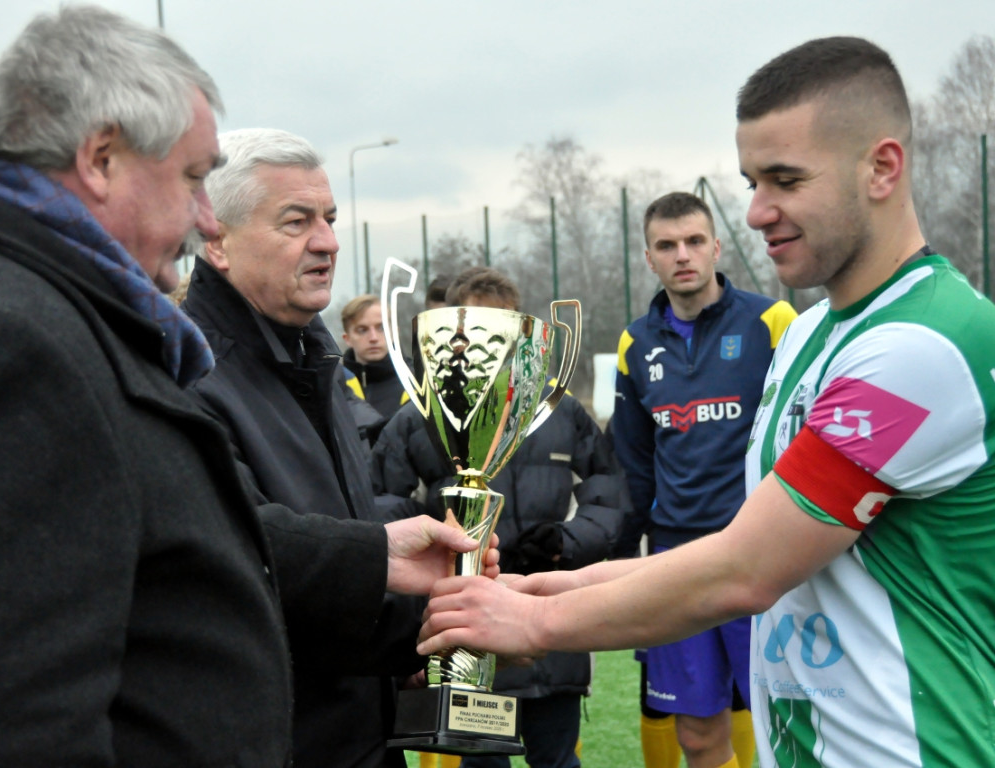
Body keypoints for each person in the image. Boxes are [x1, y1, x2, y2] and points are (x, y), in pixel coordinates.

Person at [417, 36, 995, 768]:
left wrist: (534, 626)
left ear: (882, 167)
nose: (756, 212)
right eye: (752, 182)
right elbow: (721, 549)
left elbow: (744, 569)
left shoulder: (923, 344)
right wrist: (539, 588)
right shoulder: (813, 332)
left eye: (785, 180)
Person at [0, 8, 491, 766]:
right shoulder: (13, 340)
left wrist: (371, 556)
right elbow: (20, 710)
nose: (204, 216)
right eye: (190, 178)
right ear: (101, 157)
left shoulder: (77, 320)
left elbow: (176, 536)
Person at [180, 127, 430, 768]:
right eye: (297, 222)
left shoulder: (313, 356)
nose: (328, 242)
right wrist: (423, 626)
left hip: (364, 735)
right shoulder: (189, 378)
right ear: (217, 240)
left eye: (330, 218)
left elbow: (338, 527)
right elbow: (249, 555)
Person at [373, 267, 627, 768]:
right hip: (468, 620)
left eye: (503, 324)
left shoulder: (558, 409)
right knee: (481, 765)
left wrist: (567, 542)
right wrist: (438, 546)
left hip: (549, 622)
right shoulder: (419, 412)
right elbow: (380, 498)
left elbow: (609, 491)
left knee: (556, 758)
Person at [612, 192, 796, 768]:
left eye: (694, 241)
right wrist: (623, 555)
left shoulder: (774, 322)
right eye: (667, 245)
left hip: (760, 554)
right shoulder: (634, 344)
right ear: (648, 257)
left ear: (716, 247)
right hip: (676, 559)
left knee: (787, 726)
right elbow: (635, 465)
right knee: (696, 733)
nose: (682, 255)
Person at [341, 293, 407, 441]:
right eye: (362, 330)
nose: (373, 338)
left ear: (394, 332)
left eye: (381, 328)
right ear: (347, 338)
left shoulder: (415, 383)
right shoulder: (336, 384)